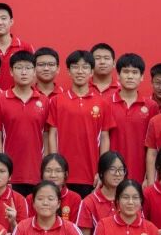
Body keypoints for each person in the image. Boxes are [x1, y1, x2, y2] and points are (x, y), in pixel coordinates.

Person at [45, 50, 114, 197]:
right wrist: (54, 168)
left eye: (85, 67)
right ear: (69, 71)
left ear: (92, 72)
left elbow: (104, 138)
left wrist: (102, 170)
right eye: (75, 67)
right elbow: (52, 134)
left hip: (91, 174)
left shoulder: (102, 103)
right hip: (63, 174)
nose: (80, 71)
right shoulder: (57, 101)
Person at [0, 50, 47, 196]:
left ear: (34, 71)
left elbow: (47, 135)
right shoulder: (0, 100)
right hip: (10, 171)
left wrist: (46, 166)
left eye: (28, 68)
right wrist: (0, 164)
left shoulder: (44, 101)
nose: (24, 72)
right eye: (19, 67)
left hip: (36, 170)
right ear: (11, 71)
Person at [106, 52, 157, 181]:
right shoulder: (105, 103)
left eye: (135, 72)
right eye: (126, 72)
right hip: (112, 172)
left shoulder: (151, 106)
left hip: (140, 174)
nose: (130, 76)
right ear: (118, 75)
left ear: (142, 77)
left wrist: (149, 177)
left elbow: (153, 146)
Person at [0, 2, 33, 92]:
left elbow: (34, 75)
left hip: (18, 98)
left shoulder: (25, 47)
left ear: (11, 21)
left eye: (3, 18)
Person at [76, 151, 126, 235]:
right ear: (102, 173)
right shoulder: (88, 203)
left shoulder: (130, 199)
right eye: (112, 169)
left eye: (121, 169)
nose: (117, 174)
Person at [29, 153, 83, 222]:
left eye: (58, 171)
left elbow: (74, 226)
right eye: (48, 171)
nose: (53, 175)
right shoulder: (31, 198)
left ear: (65, 174)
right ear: (42, 173)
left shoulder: (75, 199)